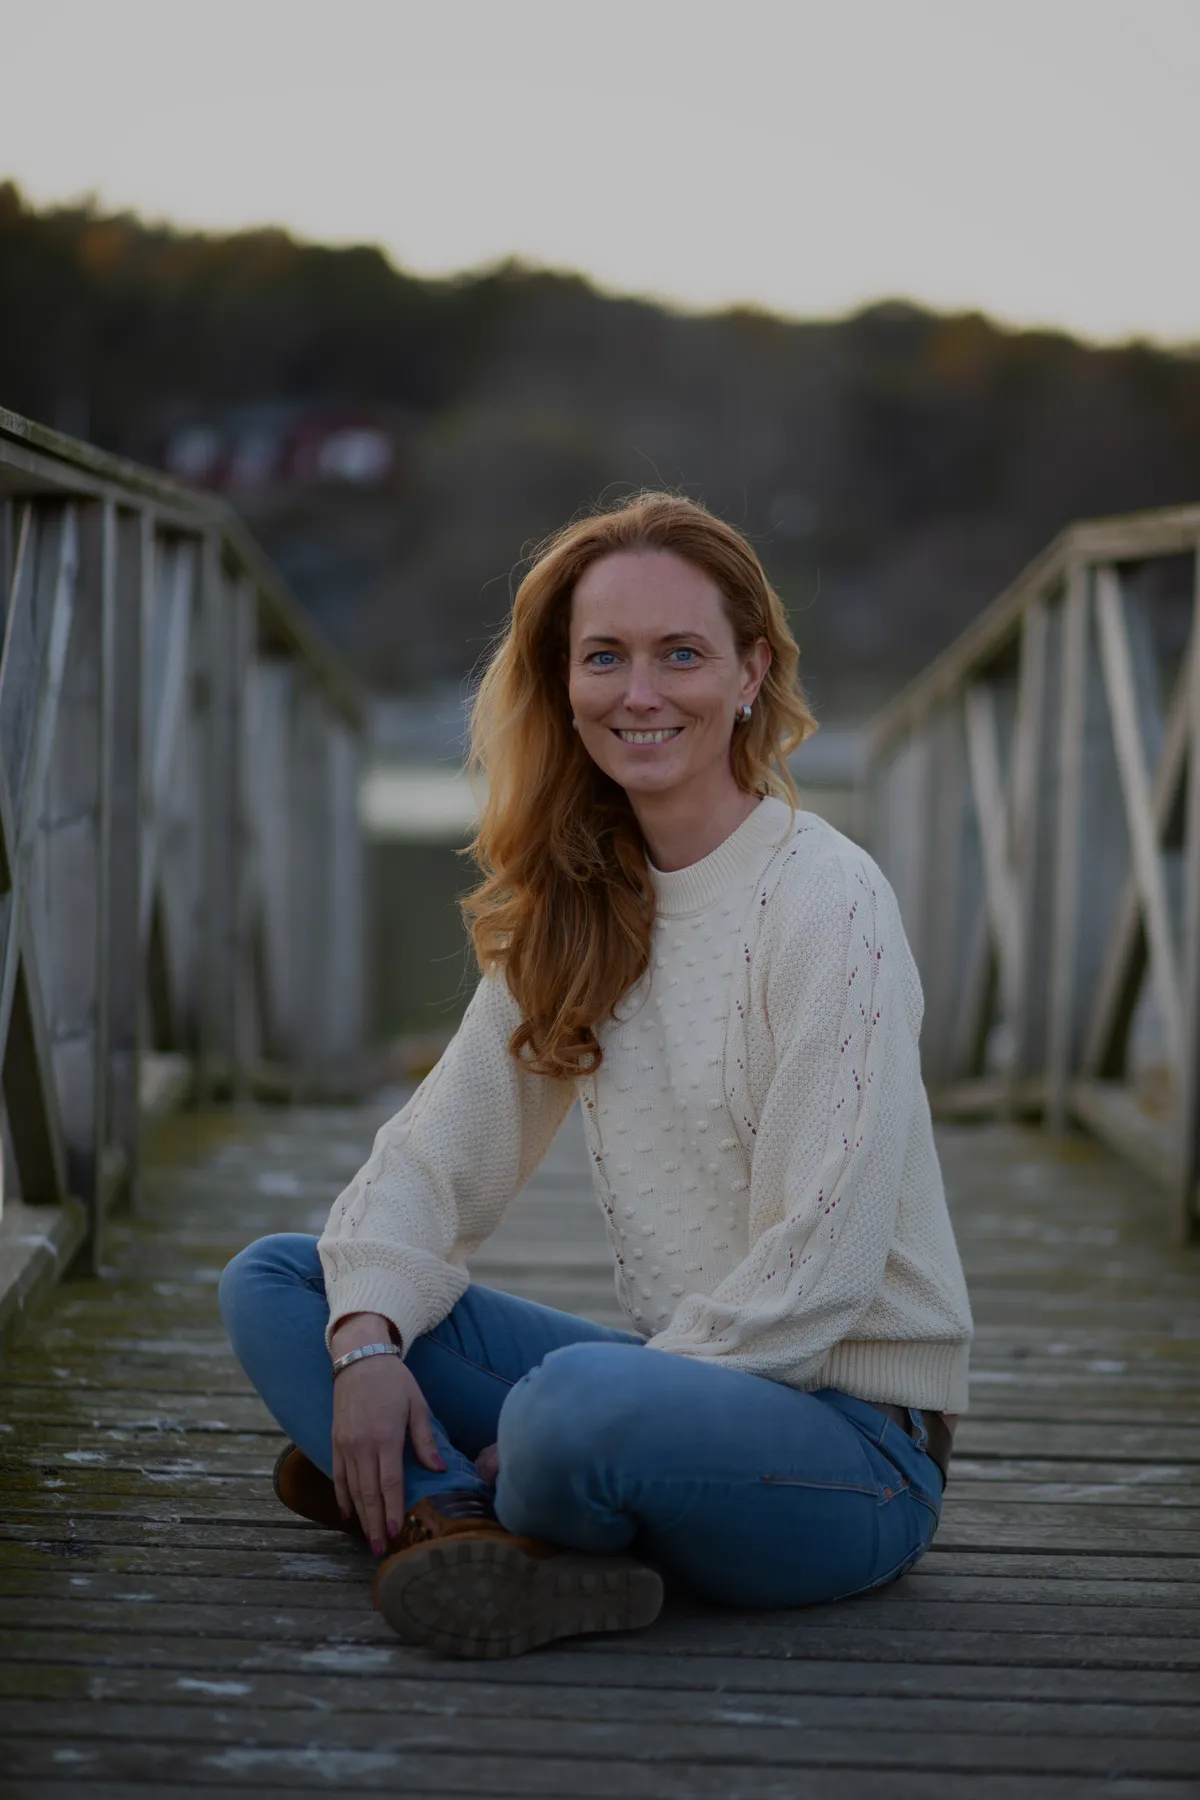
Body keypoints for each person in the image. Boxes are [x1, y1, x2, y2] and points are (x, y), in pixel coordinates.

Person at [220, 491, 974, 1661]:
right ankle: (479, 1521)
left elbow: (824, 1262)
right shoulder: (584, 901)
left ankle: (442, 1496)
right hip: (676, 1390)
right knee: (286, 1281)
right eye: (604, 657)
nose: (640, 693)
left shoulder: (830, 902)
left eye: (682, 654)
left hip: (852, 1450)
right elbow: (435, 1156)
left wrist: (574, 1414)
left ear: (750, 672)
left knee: (570, 1411)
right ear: (561, 683)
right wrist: (367, 1345)